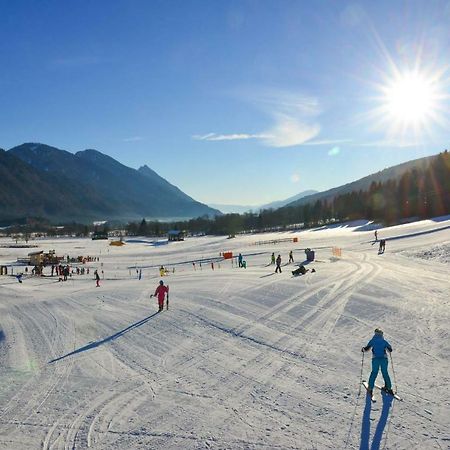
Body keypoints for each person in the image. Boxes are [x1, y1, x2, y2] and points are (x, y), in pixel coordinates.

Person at [362, 328, 394, 396]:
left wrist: (363, 349)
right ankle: (389, 388)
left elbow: (367, 348)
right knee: (385, 373)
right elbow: (390, 349)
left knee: (374, 372)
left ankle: (370, 388)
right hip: (384, 359)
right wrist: (388, 349)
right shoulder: (384, 341)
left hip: (375, 359)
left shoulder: (373, 341)